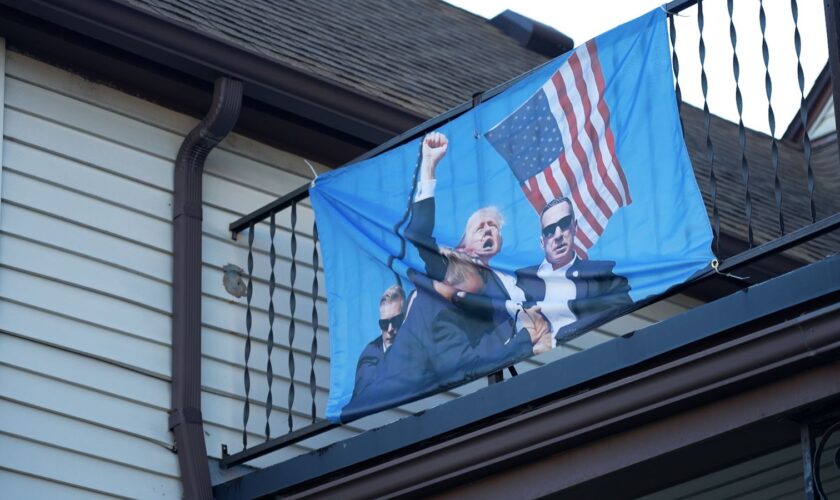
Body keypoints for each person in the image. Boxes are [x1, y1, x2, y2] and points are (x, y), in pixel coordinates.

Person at [341, 251, 548, 422]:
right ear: (450, 283)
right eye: (466, 293)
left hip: (380, 411)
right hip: (372, 415)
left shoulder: (432, 303)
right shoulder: (437, 312)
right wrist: (526, 339)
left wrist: (518, 323)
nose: (468, 301)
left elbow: (473, 350)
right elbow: (469, 366)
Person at [516, 197, 632, 344]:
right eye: (549, 231)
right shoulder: (521, 281)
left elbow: (625, 317)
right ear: (542, 242)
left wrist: (561, 335)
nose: (558, 235)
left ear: (575, 227)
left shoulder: (601, 275)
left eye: (564, 224)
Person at [350, 285, 405, 399]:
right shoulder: (369, 356)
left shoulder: (417, 346)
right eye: (384, 324)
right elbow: (364, 397)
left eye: (396, 321)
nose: (390, 329)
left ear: (405, 318)